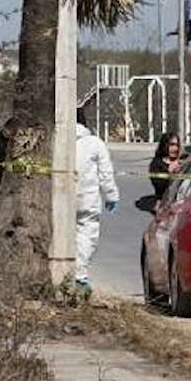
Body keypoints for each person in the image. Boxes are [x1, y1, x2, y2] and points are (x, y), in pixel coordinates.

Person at [73, 110, 120, 291]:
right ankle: (79, 276)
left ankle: (65, 273)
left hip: (61, 198)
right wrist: (111, 196)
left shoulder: (56, 141)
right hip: (87, 200)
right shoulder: (95, 143)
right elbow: (106, 173)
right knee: (87, 236)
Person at [148, 132, 184, 200]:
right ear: (164, 145)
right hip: (165, 200)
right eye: (172, 145)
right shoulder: (156, 164)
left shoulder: (184, 159)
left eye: (177, 145)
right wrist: (169, 172)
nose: (175, 149)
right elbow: (159, 187)